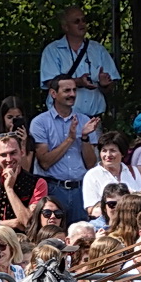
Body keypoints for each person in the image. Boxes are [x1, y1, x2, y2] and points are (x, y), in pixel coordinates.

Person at [29, 75, 100, 224]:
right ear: (53, 94)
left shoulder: (85, 120)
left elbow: (91, 164)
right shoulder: (40, 122)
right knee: (52, 235)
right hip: (54, 188)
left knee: (81, 237)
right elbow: (45, 162)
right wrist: (70, 139)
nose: (72, 94)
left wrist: (85, 137)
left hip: (80, 189)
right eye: (67, 90)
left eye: (74, 90)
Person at [37, 6, 118, 118]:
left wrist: (104, 84)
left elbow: (111, 85)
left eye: (84, 20)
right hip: (62, 117)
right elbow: (50, 83)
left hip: (93, 118)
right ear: (65, 27)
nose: (82, 24)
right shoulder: (52, 50)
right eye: (76, 21)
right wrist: (77, 82)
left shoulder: (98, 49)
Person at [0, 131, 43, 230]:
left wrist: (9, 189)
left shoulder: (37, 183)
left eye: (13, 153)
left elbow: (28, 223)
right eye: (3, 155)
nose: (9, 159)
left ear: (21, 152)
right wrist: (12, 223)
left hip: (24, 241)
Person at [79, 135, 141, 217]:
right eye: (104, 151)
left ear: (122, 153)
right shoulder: (92, 175)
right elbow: (91, 209)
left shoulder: (133, 171)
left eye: (112, 151)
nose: (108, 155)